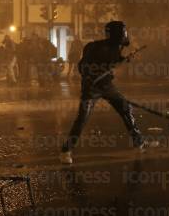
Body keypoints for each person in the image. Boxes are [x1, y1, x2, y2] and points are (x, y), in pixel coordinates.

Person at [60, 21, 145, 164]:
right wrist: (89, 77)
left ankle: (139, 142)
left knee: (125, 108)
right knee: (82, 119)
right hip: (91, 88)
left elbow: (114, 60)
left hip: (107, 85)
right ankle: (66, 151)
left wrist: (125, 59)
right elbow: (82, 66)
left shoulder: (117, 46)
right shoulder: (94, 47)